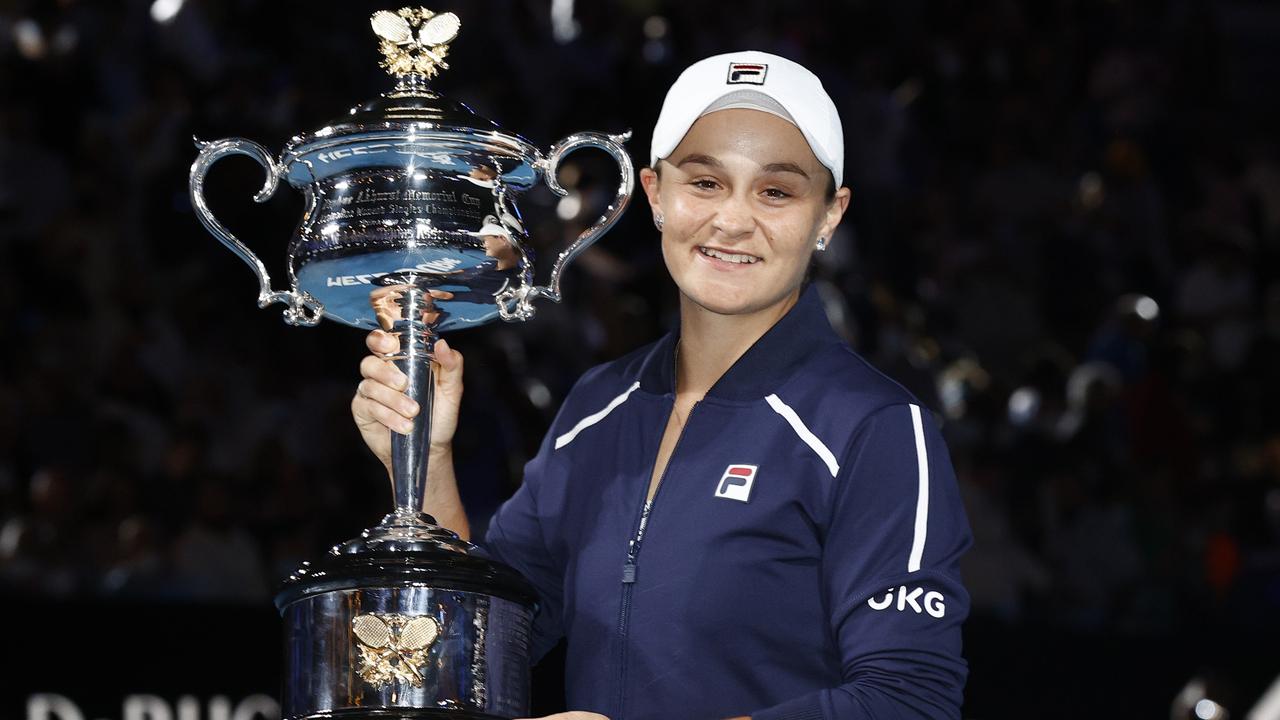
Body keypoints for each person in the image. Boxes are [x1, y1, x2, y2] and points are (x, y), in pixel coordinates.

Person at [352, 50, 972, 720]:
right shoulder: (597, 407)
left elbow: (910, 700)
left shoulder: (872, 427)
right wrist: (426, 461)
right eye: (704, 183)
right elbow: (473, 651)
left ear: (829, 216)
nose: (732, 221)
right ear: (655, 194)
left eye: (776, 191)